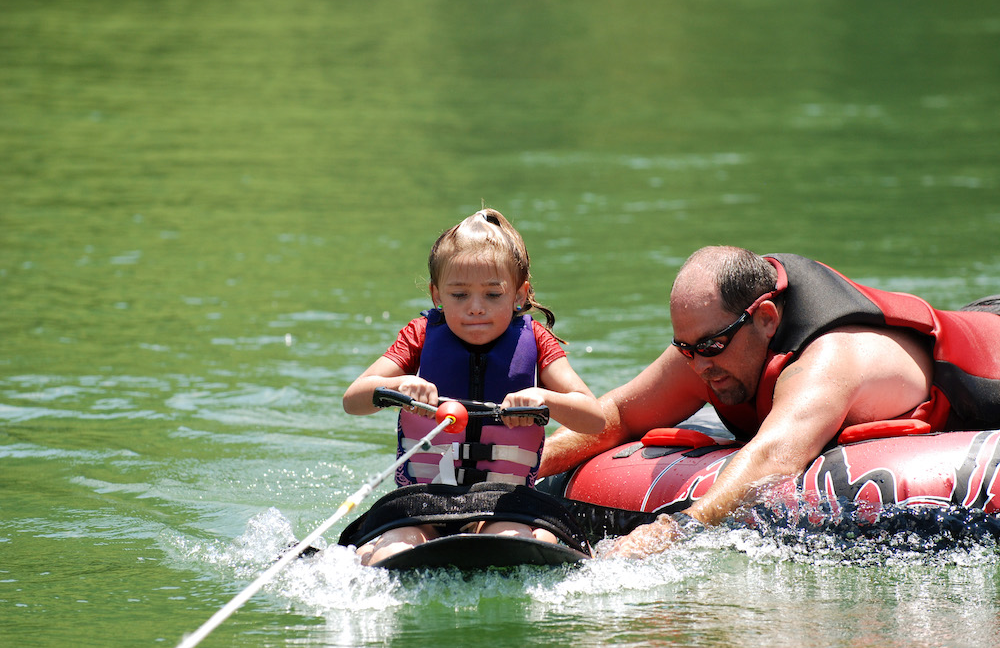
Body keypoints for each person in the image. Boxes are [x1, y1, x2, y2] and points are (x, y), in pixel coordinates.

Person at [537, 246, 1000, 558]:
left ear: (765, 318)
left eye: (710, 347)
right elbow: (615, 416)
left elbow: (775, 457)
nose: (698, 365)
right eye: (685, 349)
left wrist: (671, 530)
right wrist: (516, 467)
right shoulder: (712, 346)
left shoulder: (831, 358)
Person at [341, 208, 604, 565]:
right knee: (393, 547)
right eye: (459, 295)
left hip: (503, 504)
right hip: (425, 504)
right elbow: (353, 400)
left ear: (519, 294)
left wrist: (543, 397)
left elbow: (594, 418)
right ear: (436, 295)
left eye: (493, 295)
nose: (476, 308)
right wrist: (402, 384)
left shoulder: (536, 341)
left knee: (514, 542)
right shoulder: (420, 335)